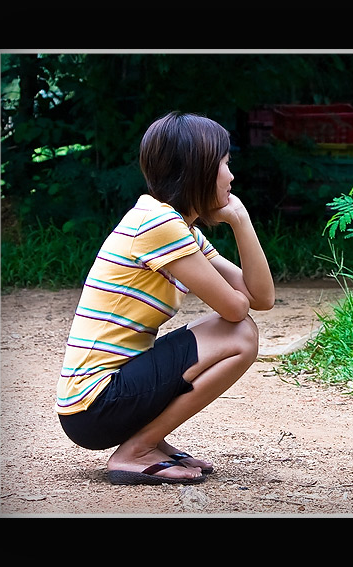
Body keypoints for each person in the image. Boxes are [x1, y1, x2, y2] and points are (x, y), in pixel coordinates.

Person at [56, 111, 275, 485]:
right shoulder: (159, 225)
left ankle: (149, 441)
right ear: (199, 169)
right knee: (238, 335)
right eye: (225, 164)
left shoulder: (178, 227)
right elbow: (236, 308)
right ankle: (137, 449)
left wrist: (241, 220)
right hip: (94, 403)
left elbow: (261, 297)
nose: (231, 176)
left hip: (104, 398)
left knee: (236, 330)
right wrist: (237, 218)